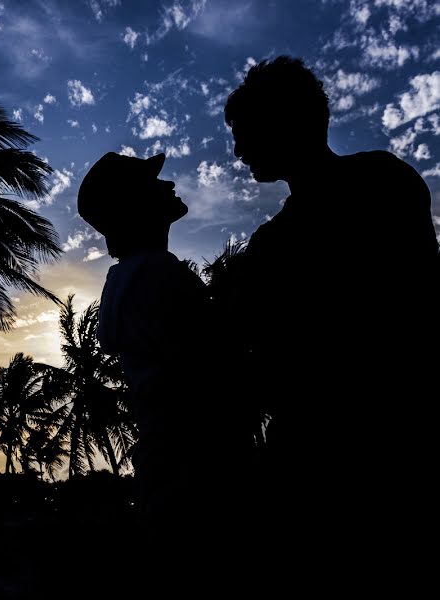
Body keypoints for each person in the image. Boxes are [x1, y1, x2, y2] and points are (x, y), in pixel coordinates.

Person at [224, 56, 438, 574]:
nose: (238, 150)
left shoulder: (273, 246)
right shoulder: (388, 180)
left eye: (246, 132)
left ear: (285, 123)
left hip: (337, 464)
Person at [78, 152, 252, 559]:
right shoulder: (158, 275)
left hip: (173, 472)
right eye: (151, 183)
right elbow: (210, 373)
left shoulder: (128, 276)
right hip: (200, 477)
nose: (167, 185)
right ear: (133, 205)